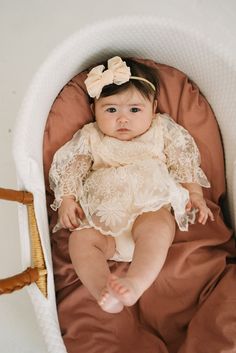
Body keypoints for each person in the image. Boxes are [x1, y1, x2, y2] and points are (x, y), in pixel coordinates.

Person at [49, 56, 214, 314]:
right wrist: (67, 199)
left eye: (134, 110)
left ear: (154, 107)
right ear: (94, 110)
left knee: (158, 227)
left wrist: (194, 193)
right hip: (102, 221)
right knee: (79, 241)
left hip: (148, 210)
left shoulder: (161, 130)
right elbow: (72, 166)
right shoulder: (91, 136)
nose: (122, 119)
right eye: (111, 110)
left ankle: (136, 283)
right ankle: (104, 289)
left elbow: (184, 159)